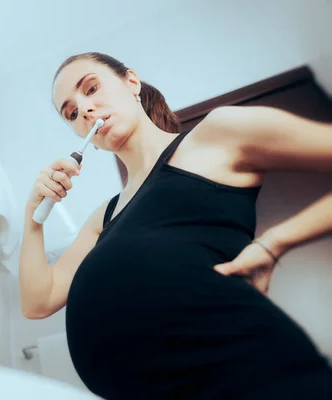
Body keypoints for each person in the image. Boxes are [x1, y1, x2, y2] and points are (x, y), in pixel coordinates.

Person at [18, 52, 332, 399]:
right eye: (72, 113)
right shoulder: (103, 216)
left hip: (254, 378)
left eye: (91, 88)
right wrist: (33, 215)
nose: (85, 111)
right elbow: (38, 302)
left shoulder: (218, 134)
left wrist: (273, 243)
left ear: (131, 82)